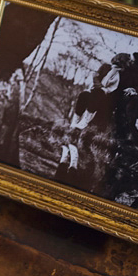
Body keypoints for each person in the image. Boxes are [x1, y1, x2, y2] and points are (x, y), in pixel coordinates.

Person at [54, 62, 119, 194]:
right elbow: (95, 81)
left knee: (98, 93)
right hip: (96, 100)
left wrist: (101, 88)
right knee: (85, 94)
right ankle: (76, 122)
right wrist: (96, 81)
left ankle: (71, 159)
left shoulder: (119, 76)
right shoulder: (105, 70)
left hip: (108, 107)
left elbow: (112, 92)